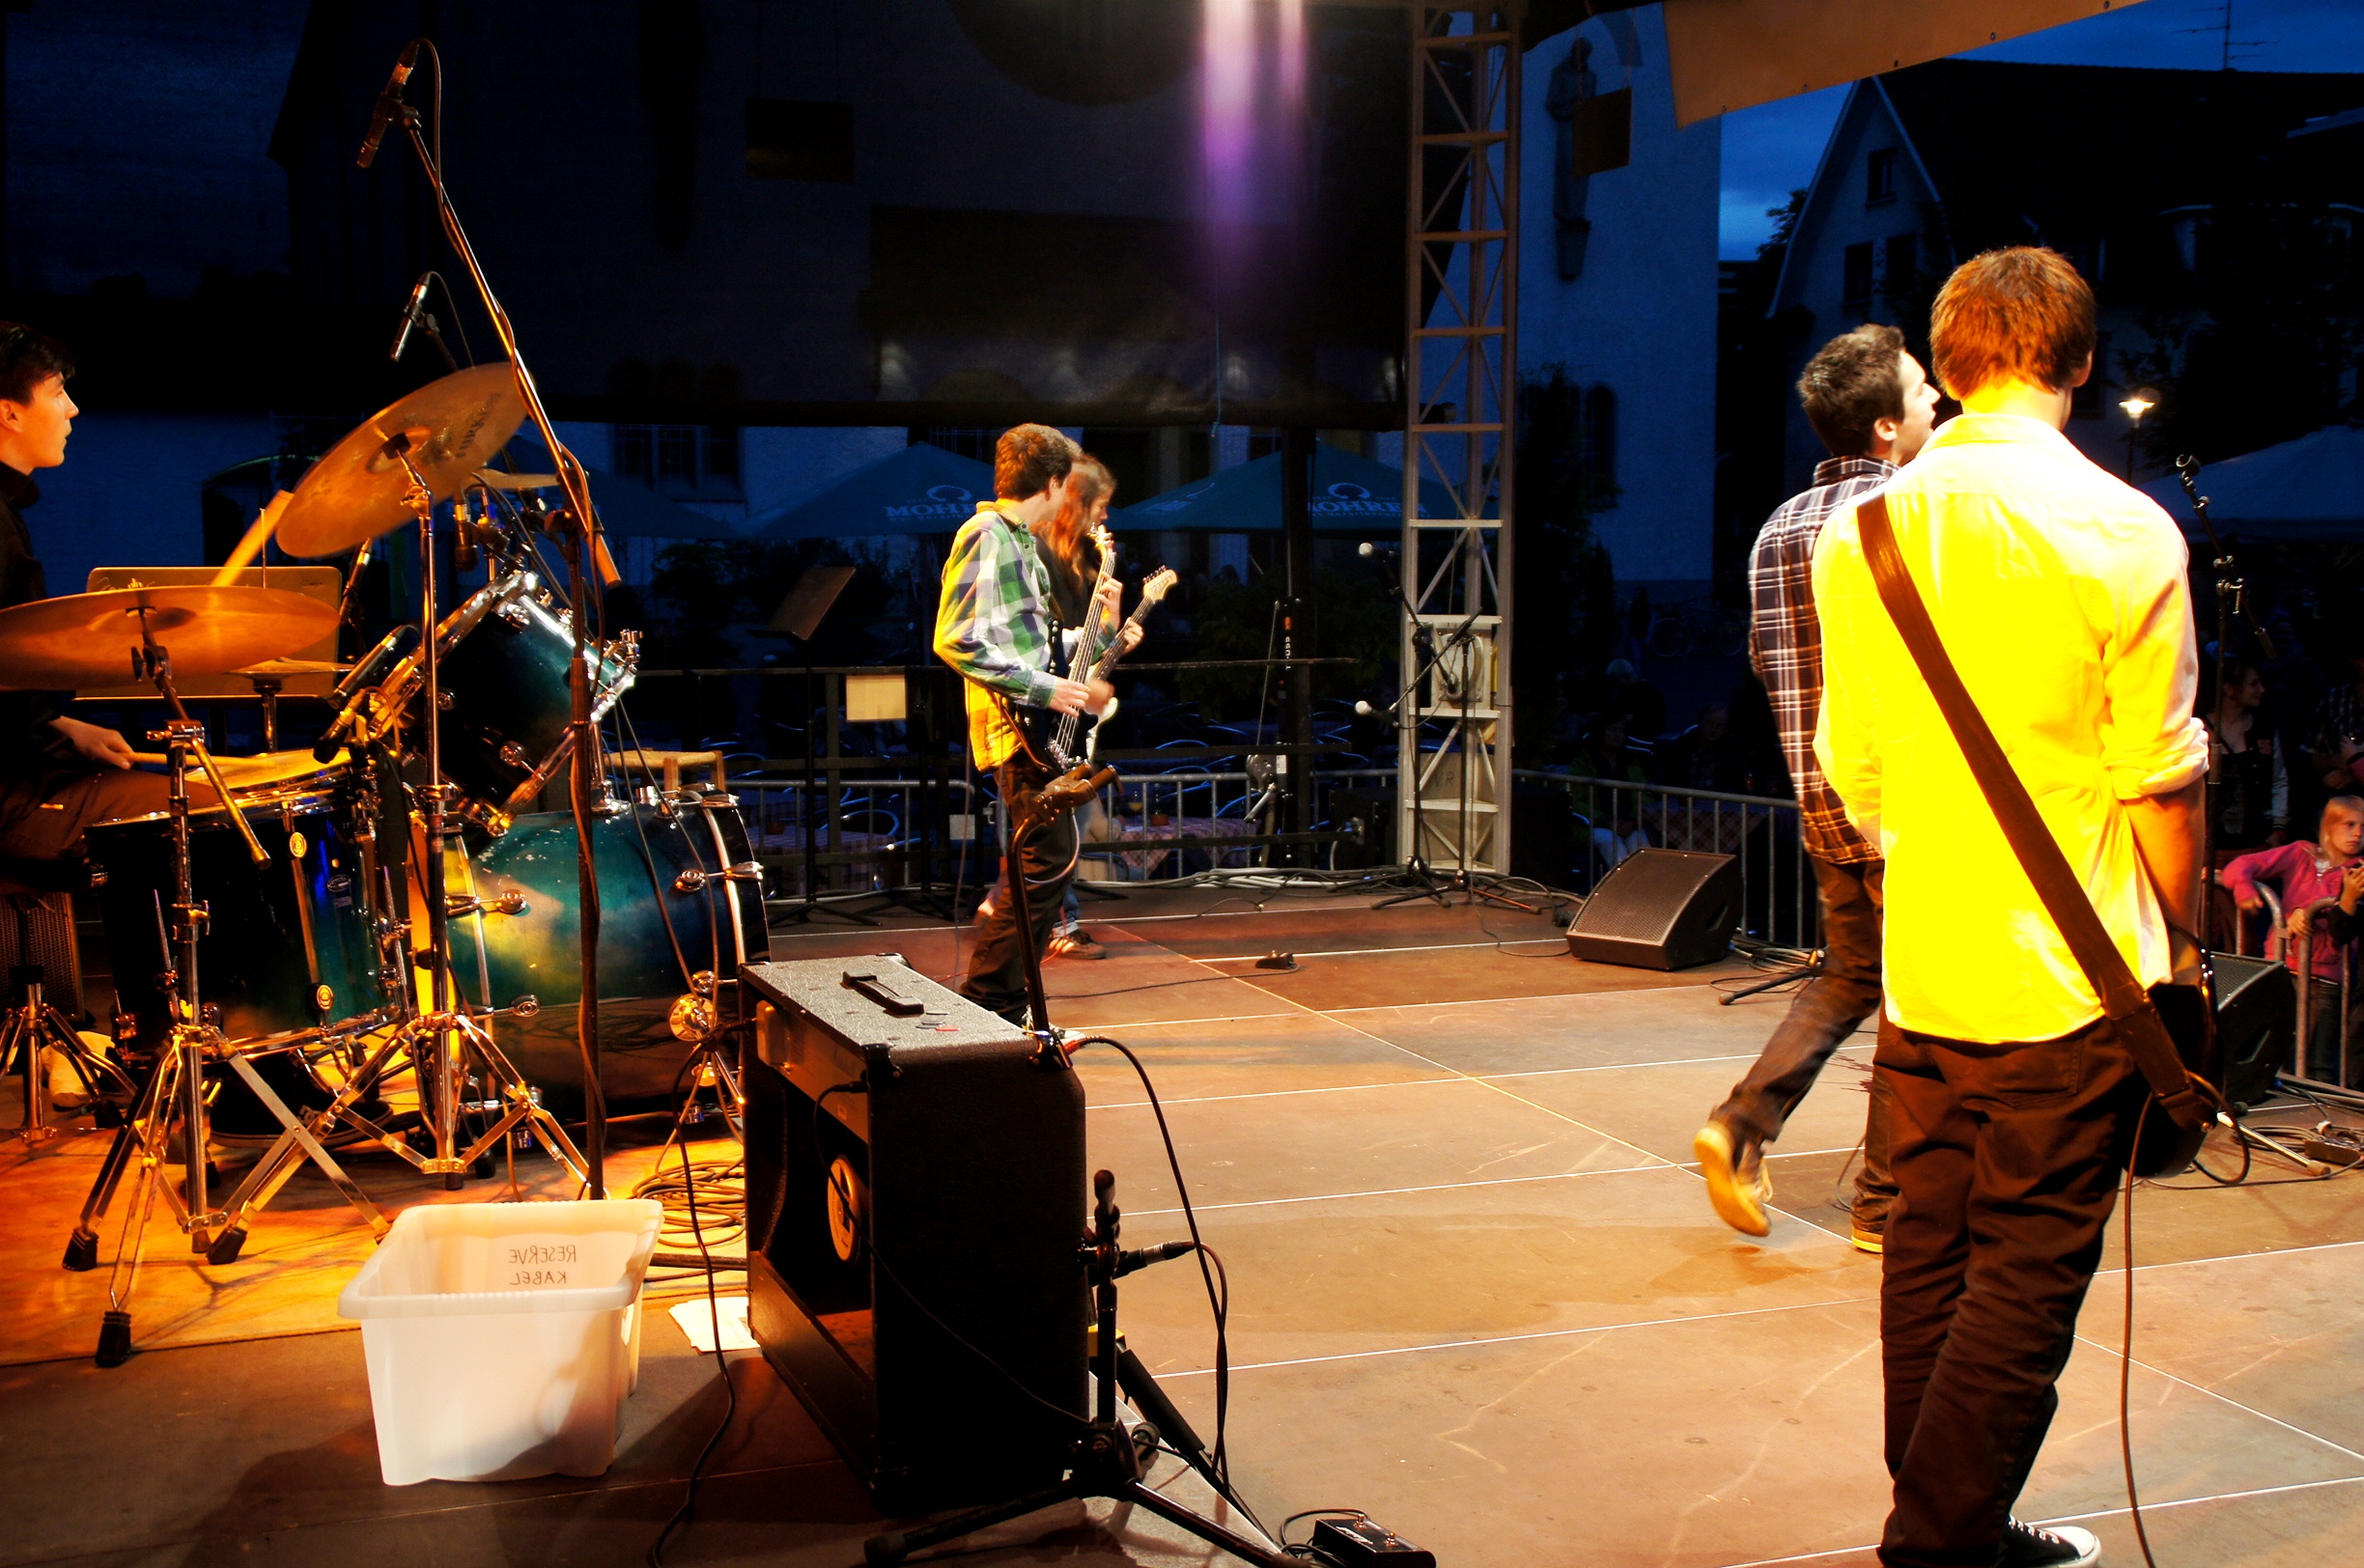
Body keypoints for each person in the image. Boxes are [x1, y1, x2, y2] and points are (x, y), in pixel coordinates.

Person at [1813, 247, 2208, 1568]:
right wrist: (2183, 946)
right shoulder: (2127, 530)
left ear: (1948, 361)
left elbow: (1854, 771)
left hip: (1927, 964)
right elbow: (2160, 783)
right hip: (2073, 982)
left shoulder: (1861, 532)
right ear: (2081, 362)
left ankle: (1948, 1517)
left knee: (1927, 1255)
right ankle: (1940, 1544)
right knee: (2025, 1276)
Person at [1693, 322, 1936, 1254]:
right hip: (1902, 804)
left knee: (1848, 977)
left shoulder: (1775, 528)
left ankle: (1741, 1123)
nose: (1937, 401)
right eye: (1921, 391)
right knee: (1912, 1003)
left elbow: (1767, 663)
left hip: (1819, 798)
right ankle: (1881, 1203)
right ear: (1885, 426)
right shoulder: (1905, 514)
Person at [933, 426, 1122, 1023]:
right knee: (1042, 868)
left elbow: (1032, 648)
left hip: (1032, 731)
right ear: (1055, 482)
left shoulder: (1016, 540)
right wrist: (1046, 688)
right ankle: (990, 1003)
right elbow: (955, 638)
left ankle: (1003, 1003)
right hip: (1015, 732)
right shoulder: (986, 534)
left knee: (1047, 869)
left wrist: (1102, 632)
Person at [0, 324, 184, 877]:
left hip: (22, 769)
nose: (72, 409)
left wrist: (62, 726)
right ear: (9, 413)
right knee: (211, 819)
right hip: (12, 794)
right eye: (58, 392)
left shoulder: (8, 513)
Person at [1031, 455, 1125, 961]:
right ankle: (1055, 923)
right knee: (1059, 827)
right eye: (1100, 506)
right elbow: (1043, 648)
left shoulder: (1071, 564)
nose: (1104, 517)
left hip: (1063, 712)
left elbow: (1082, 646)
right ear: (1076, 502)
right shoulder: (1039, 558)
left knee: (1067, 822)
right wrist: (1085, 686)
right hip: (1041, 712)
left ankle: (1017, 903)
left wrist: (1112, 623)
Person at [2224, 796, 2364, 1074]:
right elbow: (2240, 866)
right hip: (2281, 969)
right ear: (2329, 825)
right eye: (2349, 824)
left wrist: (2307, 911)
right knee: (2268, 1056)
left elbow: (2339, 920)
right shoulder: (2302, 854)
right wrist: (2244, 888)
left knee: (2316, 1064)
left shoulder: (2358, 870)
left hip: (2325, 979)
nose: (2358, 833)